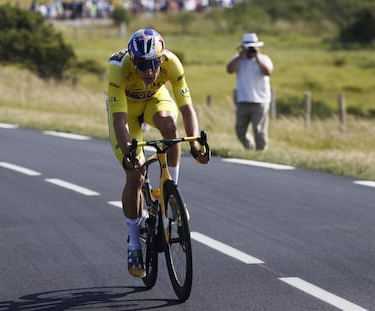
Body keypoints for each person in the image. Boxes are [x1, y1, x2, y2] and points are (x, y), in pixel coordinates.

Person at [106, 28, 209, 278]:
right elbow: (119, 121)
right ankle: (133, 244)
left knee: (170, 129)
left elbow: (187, 110)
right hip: (126, 113)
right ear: (133, 60)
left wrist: (195, 145)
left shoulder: (173, 63)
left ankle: (171, 193)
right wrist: (129, 153)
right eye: (141, 65)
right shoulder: (118, 67)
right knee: (135, 175)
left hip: (155, 100)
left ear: (161, 59)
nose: (148, 71)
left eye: (153, 64)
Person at [226, 33, 273, 151]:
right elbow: (229, 70)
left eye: (253, 47)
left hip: (260, 100)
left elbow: (268, 72)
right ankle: (250, 148)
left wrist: (257, 57)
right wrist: (240, 56)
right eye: (248, 48)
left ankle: (261, 152)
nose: (250, 50)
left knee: (259, 129)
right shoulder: (238, 59)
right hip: (243, 100)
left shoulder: (264, 59)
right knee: (240, 130)